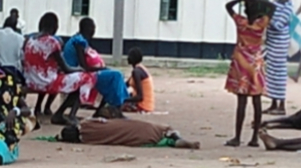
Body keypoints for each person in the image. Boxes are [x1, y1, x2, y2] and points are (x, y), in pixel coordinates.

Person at [23, 12, 96, 125]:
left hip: (31, 81)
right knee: (87, 78)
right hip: (47, 83)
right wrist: (80, 69)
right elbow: (66, 68)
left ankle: (39, 108)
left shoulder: (30, 40)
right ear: (54, 26)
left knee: (52, 74)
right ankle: (67, 114)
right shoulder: (52, 42)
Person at [224, 0, 275, 147]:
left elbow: (228, 6)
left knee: (241, 101)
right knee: (256, 100)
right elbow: (273, 7)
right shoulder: (261, 24)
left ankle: (237, 137)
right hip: (256, 64)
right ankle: (254, 138)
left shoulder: (241, 22)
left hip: (241, 62)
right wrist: (260, 1)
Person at [62, 17, 128, 112]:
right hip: (76, 73)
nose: (94, 31)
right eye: (93, 28)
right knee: (116, 76)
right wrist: (100, 69)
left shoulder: (77, 39)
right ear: (87, 28)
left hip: (78, 72)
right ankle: (116, 106)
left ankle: (108, 108)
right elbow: (84, 66)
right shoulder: (79, 42)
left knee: (117, 75)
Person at [58, 118, 199, 149]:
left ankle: (174, 140)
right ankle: (175, 137)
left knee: (151, 135)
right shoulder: (86, 124)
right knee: (162, 129)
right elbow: (102, 120)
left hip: (134, 138)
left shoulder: (86, 140)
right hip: (127, 127)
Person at [264, 0, 294, 115]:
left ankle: (281, 104)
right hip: (271, 41)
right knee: (271, 72)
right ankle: (273, 103)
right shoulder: (273, 3)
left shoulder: (289, 5)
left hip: (281, 42)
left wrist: (267, 20)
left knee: (280, 72)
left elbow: (278, 24)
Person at [123, 48, 154, 113]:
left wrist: (123, 100)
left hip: (142, 106)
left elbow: (140, 97)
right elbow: (125, 85)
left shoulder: (136, 72)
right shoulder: (140, 69)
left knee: (114, 106)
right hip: (148, 105)